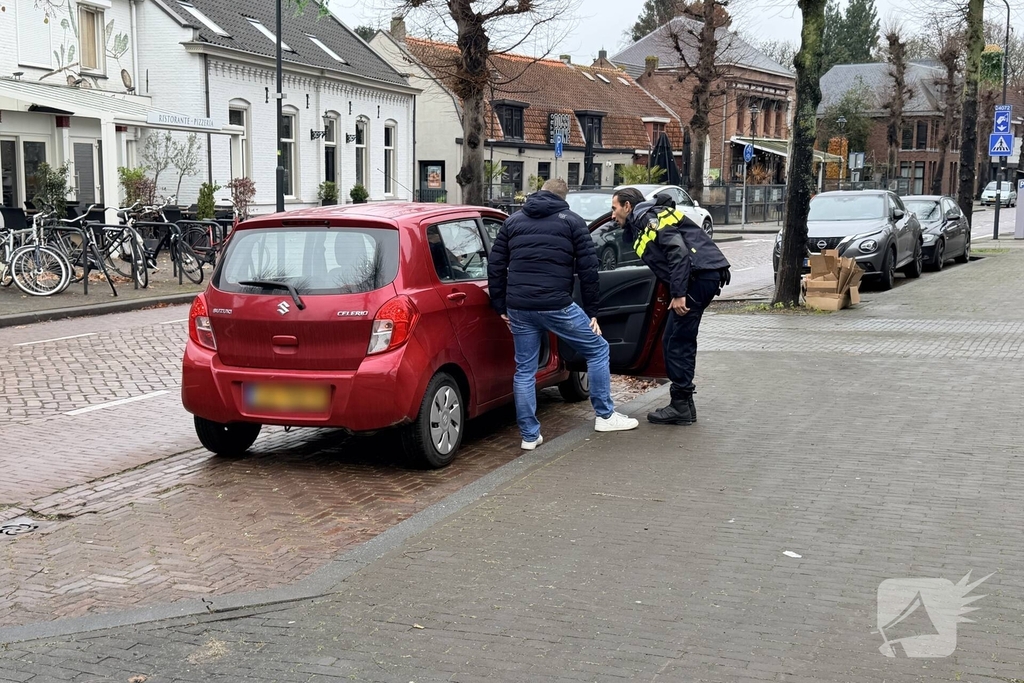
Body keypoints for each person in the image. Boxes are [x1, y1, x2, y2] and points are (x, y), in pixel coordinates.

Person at [488, 178, 639, 450]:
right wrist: (592, 311)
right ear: (563, 198)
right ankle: (605, 415)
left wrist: (500, 306)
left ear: (540, 193)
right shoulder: (572, 221)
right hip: (556, 304)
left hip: (519, 307)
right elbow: (589, 269)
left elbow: (495, 266)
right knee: (598, 349)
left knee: (524, 369)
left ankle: (529, 436)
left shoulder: (513, 221)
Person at [611, 188, 731, 426]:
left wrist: (678, 294)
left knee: (676, 341)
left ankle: (681, 406)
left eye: (614, 208)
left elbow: (677, 251)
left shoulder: (647, 218)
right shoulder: (643, 220)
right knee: (678, 339)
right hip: (704, 275)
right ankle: (684, 405)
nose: (612, 214)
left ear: (627, 206)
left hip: (699, 279)